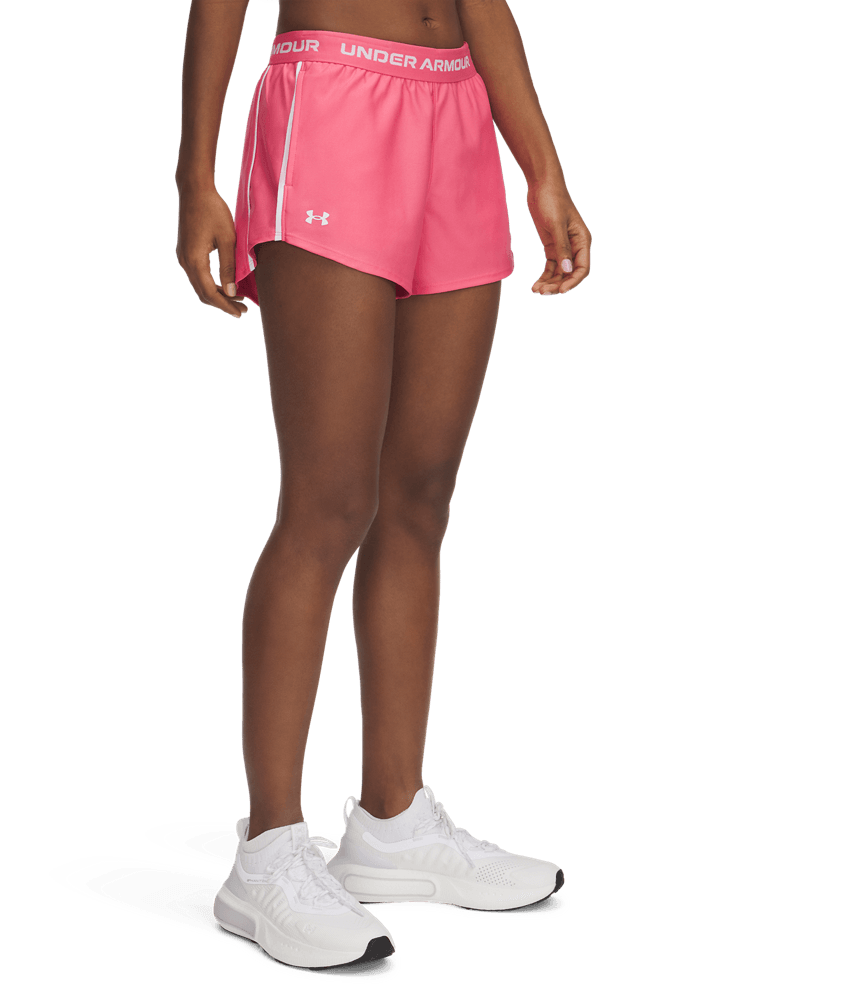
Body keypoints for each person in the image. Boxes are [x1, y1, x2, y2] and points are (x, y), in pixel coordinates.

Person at [175, 0, 591, 970]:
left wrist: (541, 165)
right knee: (327, 503)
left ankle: (391, 823)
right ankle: (268, 850)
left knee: (420, 496)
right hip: (332, 102)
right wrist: (196, 175)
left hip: (457, 112)